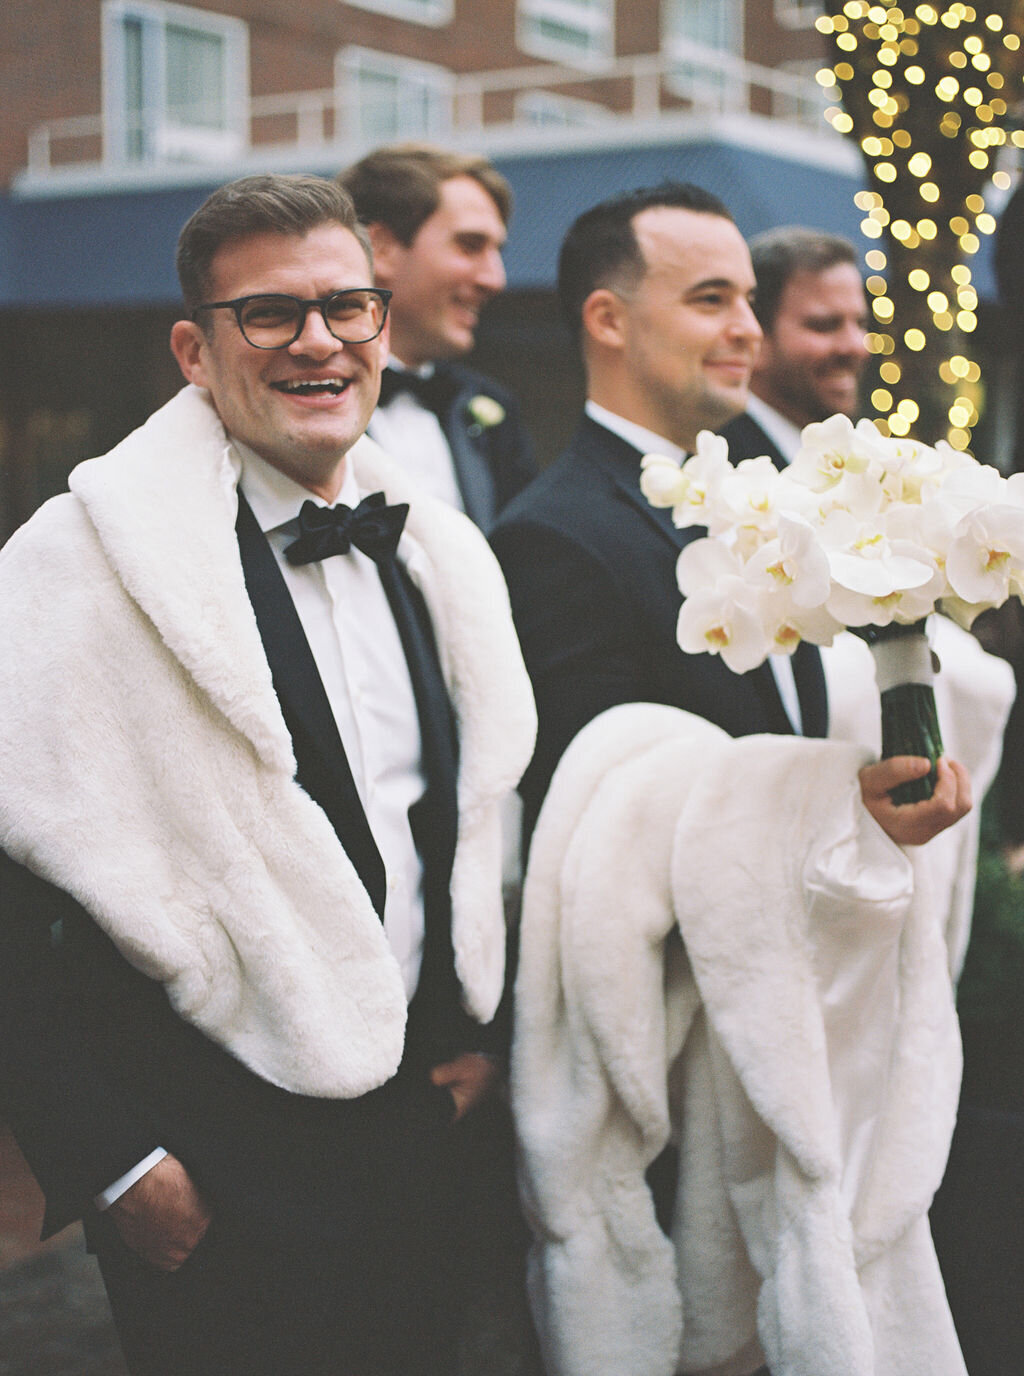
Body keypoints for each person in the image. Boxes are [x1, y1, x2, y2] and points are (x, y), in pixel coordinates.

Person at [0, 173, 535, 1376]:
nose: (318, 341)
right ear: (194, 347)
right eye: (270, 314)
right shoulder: (76, 567)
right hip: (214, 1173)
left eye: (349, 307)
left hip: (414, 1142)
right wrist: (120, 1162)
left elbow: (453, 824)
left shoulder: (435, 555)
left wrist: (465, 1055)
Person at [493, 183, 977, 1376]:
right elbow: (594, 825)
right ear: (606, 318)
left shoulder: (772, 507)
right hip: (682, 1054)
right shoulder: (553, 535)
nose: (747, 329)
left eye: (749, 301)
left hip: (814, 1013)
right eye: (709, 299)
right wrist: (823, 809)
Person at [339, 143, 537, 530]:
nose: (495, 280)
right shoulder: (303, 400)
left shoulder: (491, 410)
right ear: (379, 249)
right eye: (469, 246)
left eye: (496, 251)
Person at [719, 225, 870, 465]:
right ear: (755, 335)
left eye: (861, 323)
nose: (856, 347)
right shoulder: (722, 465)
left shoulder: (859, 460)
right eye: (824, 325)